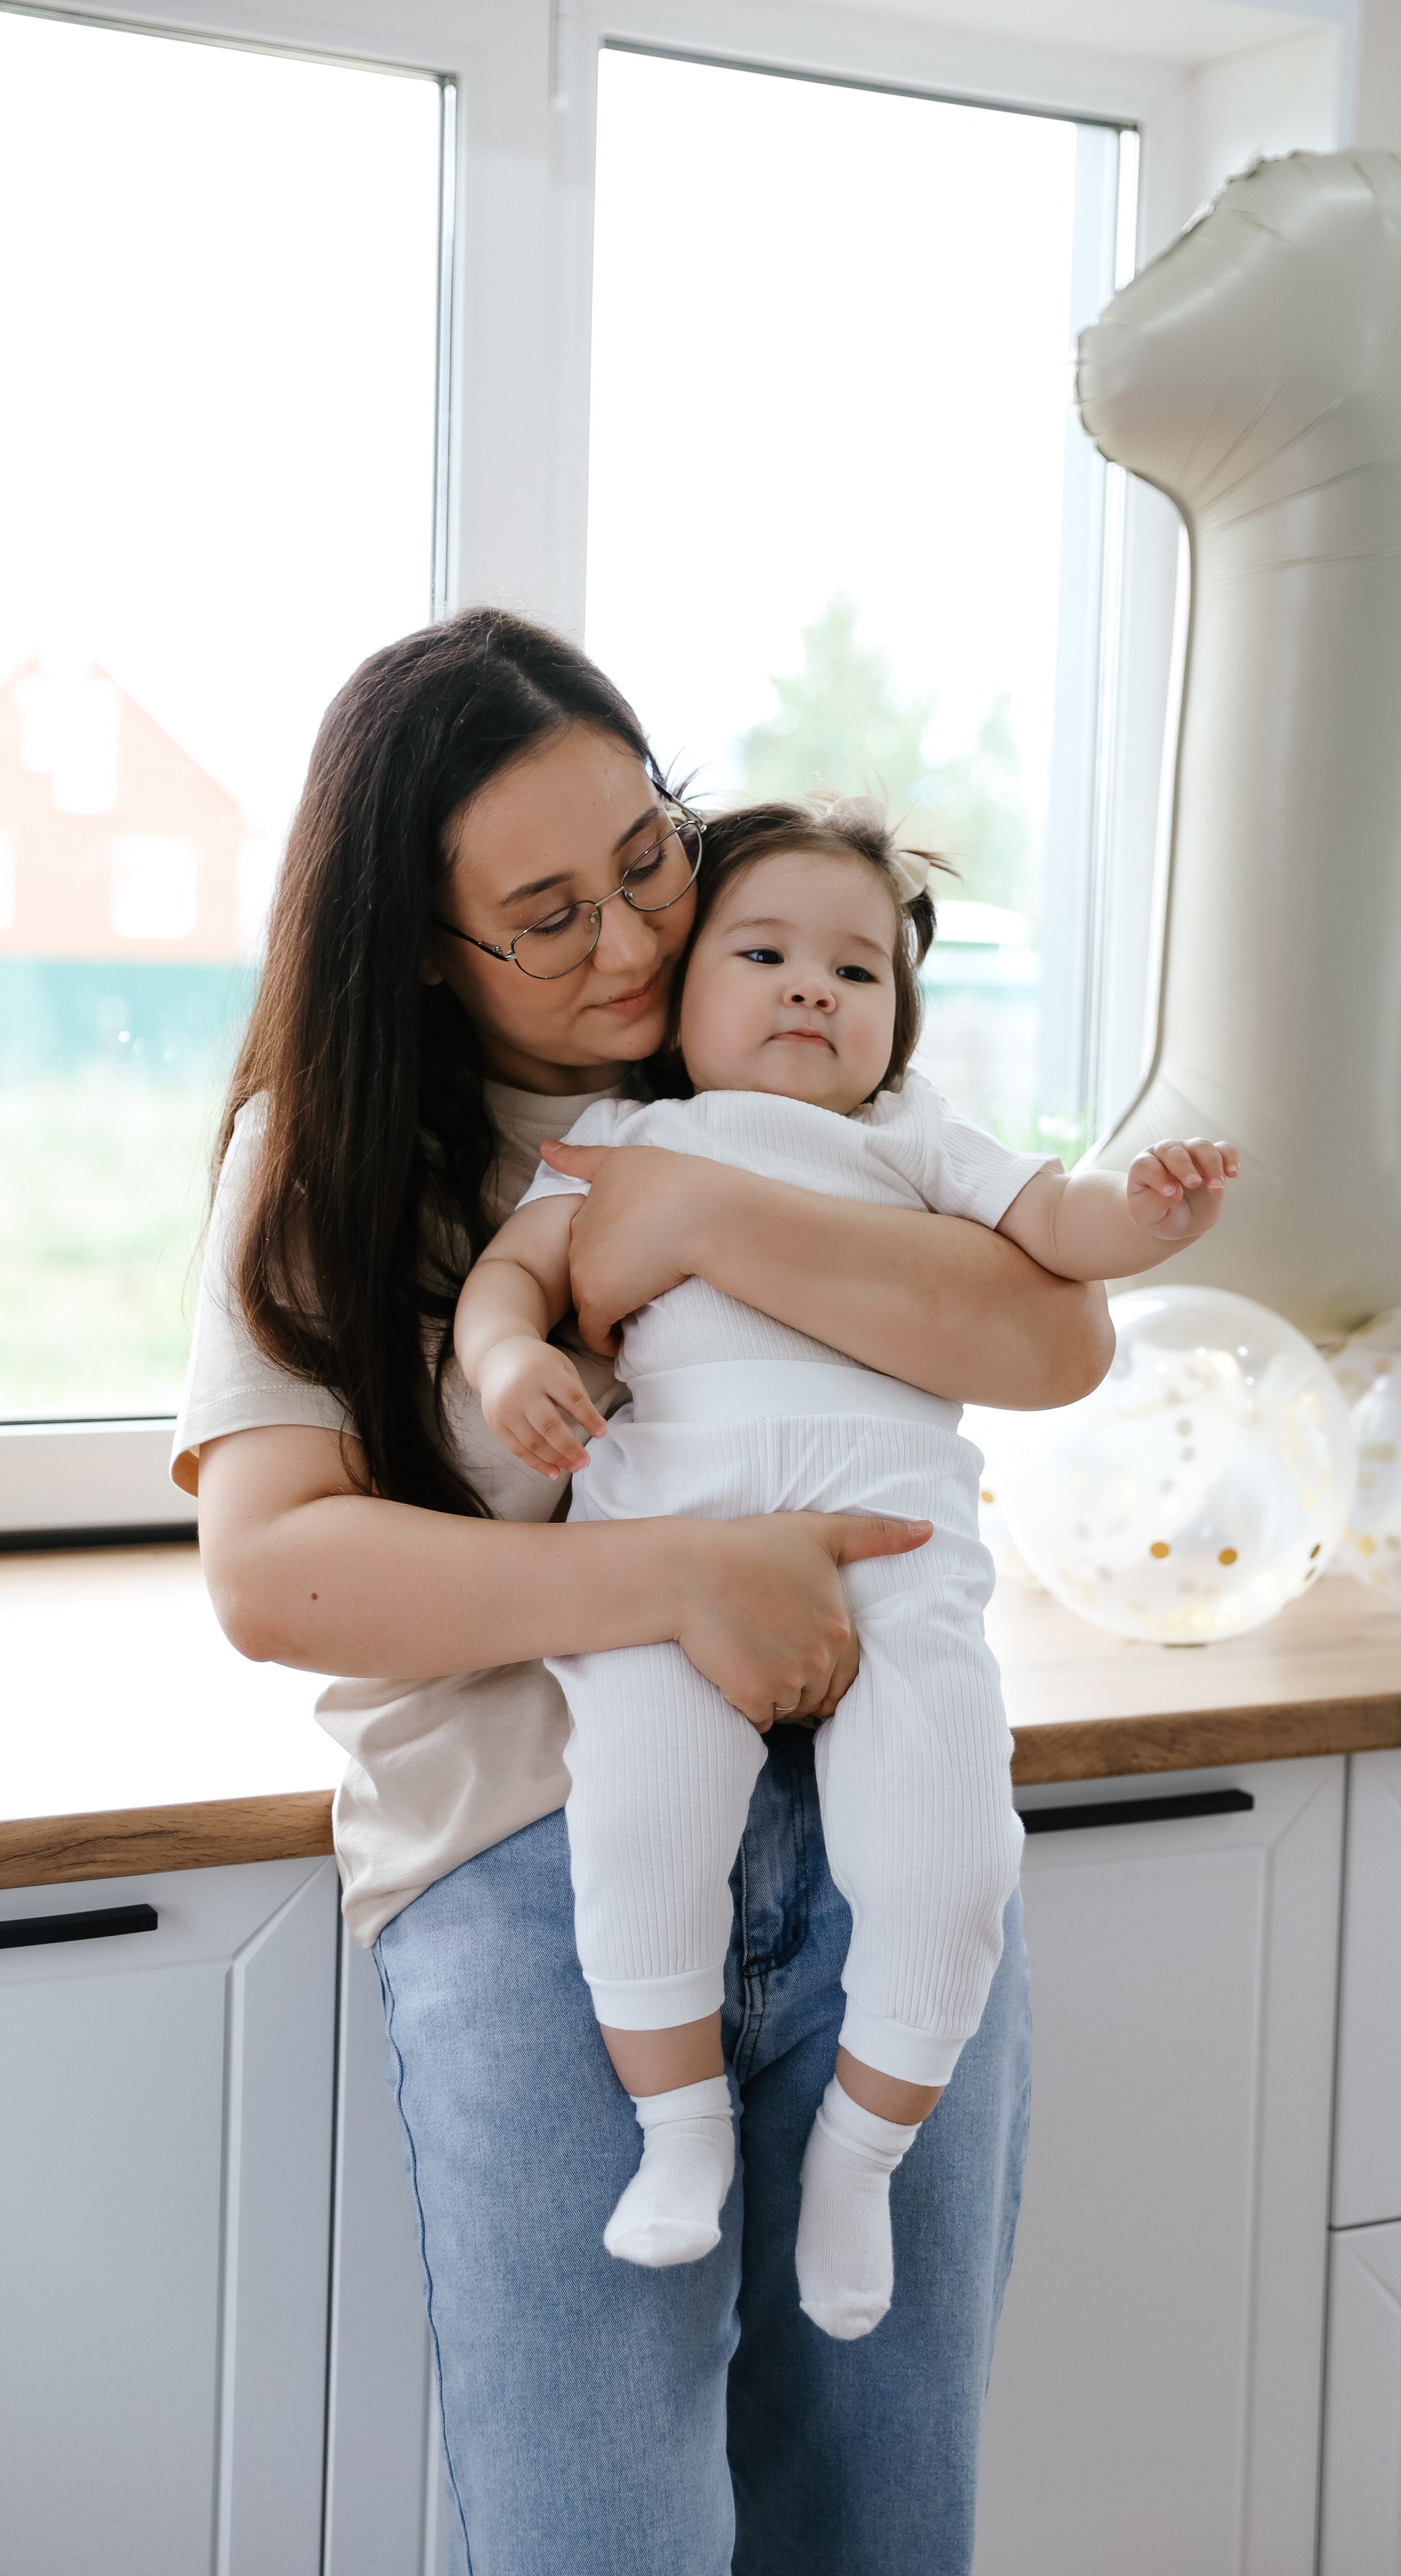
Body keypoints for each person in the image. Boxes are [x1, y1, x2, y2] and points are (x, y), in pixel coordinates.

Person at [175, 608, 1116, 2576]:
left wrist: (699, 1210)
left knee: (884, 2518)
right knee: (601, 2540)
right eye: (544, 917)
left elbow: (1053, 1349)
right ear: (422, 949)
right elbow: (276, 1574)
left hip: (884, 1837)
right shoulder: (330, 1154)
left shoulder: (809, 1085)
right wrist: (690, 1573)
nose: (631, 942)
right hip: (531, 1866)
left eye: (648, 860)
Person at [455, 793, 1238, 2341]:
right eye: (763, 952)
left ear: (900, 1019)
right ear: (681, 1000)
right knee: (638, 1836)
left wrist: (1143, 1214)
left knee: (952, 1874)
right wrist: (499, 1366)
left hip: (904, 1558)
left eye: (858, 970)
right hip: (668, 1557)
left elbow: (1061, 1239)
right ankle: (678, 2136)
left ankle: (859, 2158)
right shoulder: (623, 1136)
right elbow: (514, 1278)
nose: (812, 986)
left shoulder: (916, 1140)